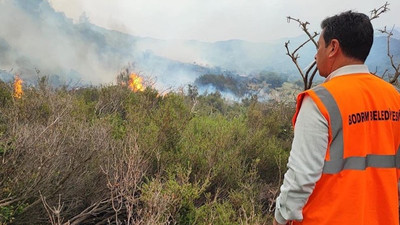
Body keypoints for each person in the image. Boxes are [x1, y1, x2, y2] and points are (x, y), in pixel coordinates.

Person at [273, 11, 400, 225]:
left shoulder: (319, 101)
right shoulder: (393, 97)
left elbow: (300, 177)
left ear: (333, 47)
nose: (315, 55)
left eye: (318, 47)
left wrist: (280, 217)